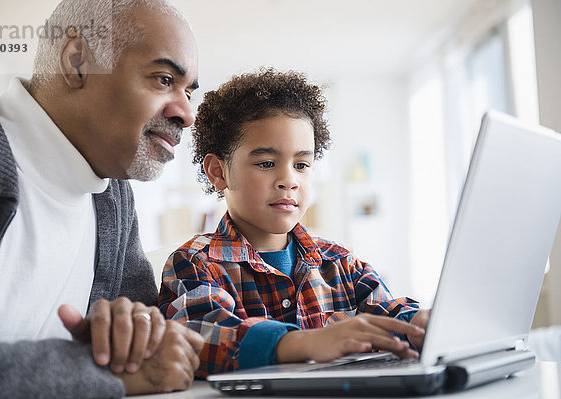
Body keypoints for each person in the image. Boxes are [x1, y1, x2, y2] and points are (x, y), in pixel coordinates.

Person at [0, 0, 203, 397]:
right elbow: (132, 372)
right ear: (77, 62)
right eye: (163, 79)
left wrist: (134, 329)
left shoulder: (111, 195)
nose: (187, 114)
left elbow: (151, 348)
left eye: (189, 92)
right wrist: (97, 372)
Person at [158, 68, 430, 377]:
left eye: (302, 165)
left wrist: (418, 323)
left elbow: (388, 316)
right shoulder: (193, 263)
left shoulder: (341, 263)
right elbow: (197, 340)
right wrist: (305, 343)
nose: (289, 180)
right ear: (219, 171)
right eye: (266, 163)